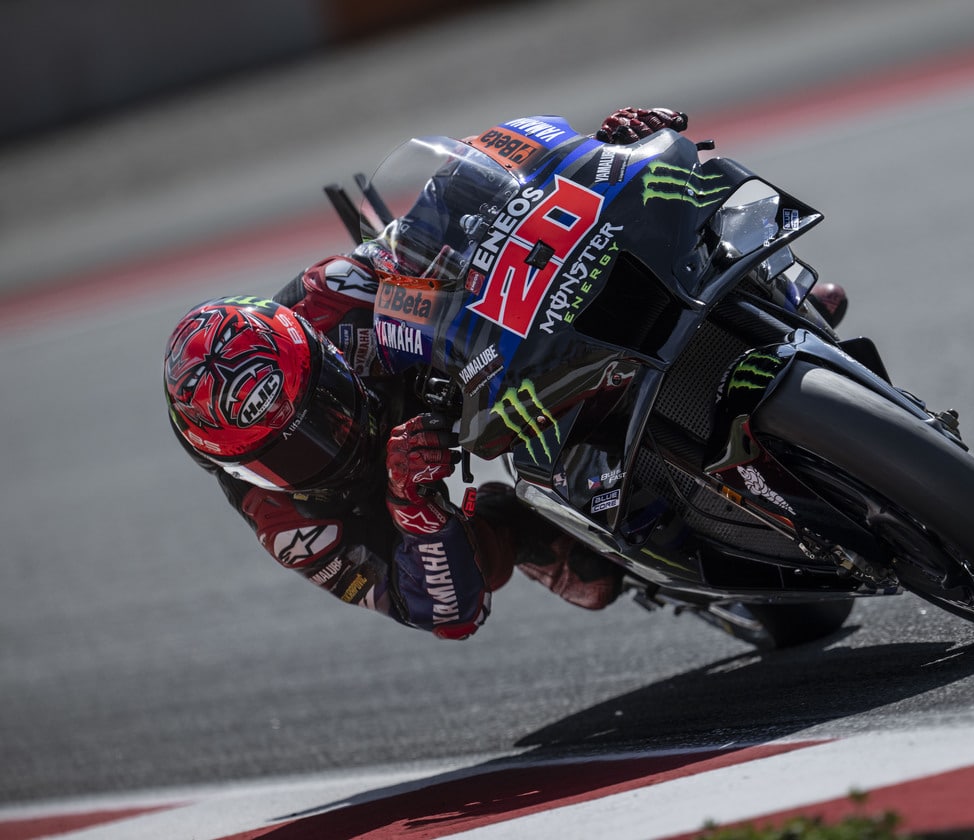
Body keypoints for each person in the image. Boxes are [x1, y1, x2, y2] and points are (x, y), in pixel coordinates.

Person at [162, 108, 694, 641]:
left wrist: (599, 155)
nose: (330, 438)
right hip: (397, 494)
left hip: (447, 371)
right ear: (240, 470)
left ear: (320, 351)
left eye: (323, 405)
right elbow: (443, 614)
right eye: (291, 453)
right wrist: (412, 506)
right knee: (589, 577)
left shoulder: (330, 296)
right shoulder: (286, 526)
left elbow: (443, 209)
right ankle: (531, 521)